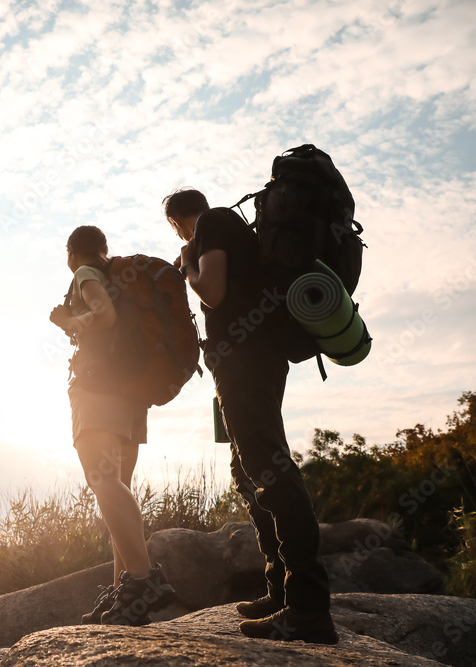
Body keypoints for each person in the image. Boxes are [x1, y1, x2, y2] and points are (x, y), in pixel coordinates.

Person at [162, 189, 338, 644]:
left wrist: (187, 263)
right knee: (248, 469)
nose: (181, 234)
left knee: (270, 468)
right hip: (242, 359)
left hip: (245, 359)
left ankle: (308, 608)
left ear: (179, 219)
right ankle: (281, 590)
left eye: (176, 227)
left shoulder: (213, 224)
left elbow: (214, 293)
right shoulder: (229, 227)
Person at [49, 225, 177, 626]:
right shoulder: (116, 277)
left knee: (103, 481)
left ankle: (143, 579)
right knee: (117, 488)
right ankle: (129, 598)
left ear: (72, 253)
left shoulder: (85, 275)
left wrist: (68, 323)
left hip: (98, 388)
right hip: (129, 394)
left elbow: (104, 316)